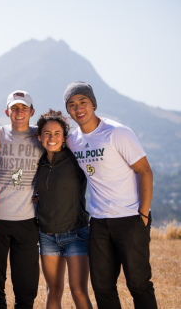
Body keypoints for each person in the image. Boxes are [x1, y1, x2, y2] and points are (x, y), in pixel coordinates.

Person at [64, 81, 158, 309]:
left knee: (138, 283)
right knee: (102, 286)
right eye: (72, 105)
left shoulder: (117, 132)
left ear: (93, 104)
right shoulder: (72, 140)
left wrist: (143, 215)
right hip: (98, 222)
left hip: (130, 218)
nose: (78, 109)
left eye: (83, 102)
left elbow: (145, 171)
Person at [0, 90, 42, 309]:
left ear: (32, 112)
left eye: (23, 108)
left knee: (26, 283)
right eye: (14, 108)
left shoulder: (41, 136)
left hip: (27, 220)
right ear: (7, 112)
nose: (19, 112)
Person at [33, 109, 92, 309]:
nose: (52, 138)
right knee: (53, 290)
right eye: (47, 133)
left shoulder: (75, 158)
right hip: (47, 236)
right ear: (39, 137)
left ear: (64, 137)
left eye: (57, 133)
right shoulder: (38, 163)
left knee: (78, 290)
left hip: (76, 234)